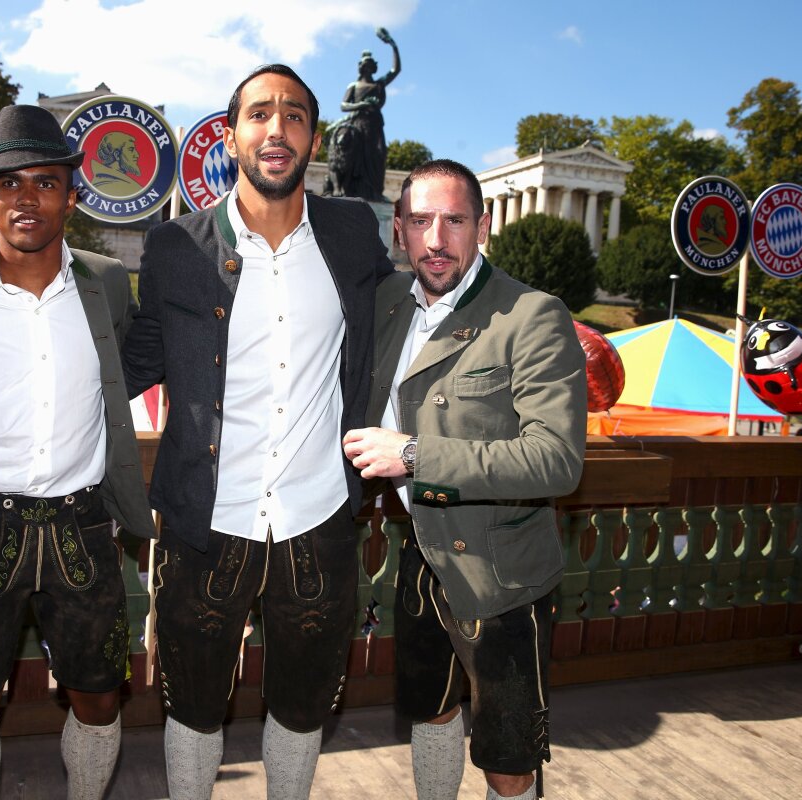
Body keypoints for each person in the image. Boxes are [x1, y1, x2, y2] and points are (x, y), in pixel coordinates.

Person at [122, 64, 395, 799]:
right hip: (204, 520)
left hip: (319, 517)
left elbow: (411, 329)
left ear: (313, 138)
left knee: (305, 708)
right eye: (260, 114)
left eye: (296, 116)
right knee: (192, 706)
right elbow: (130, 360)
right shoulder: (176, 246)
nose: (277, 129)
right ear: (232, 133)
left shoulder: (354, 233)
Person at [0, 104, 156, 800]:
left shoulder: (109, 285)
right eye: (8, 183)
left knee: (101, 695)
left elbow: (119, 380)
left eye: (44, 183)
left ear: (71, 194)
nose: (26, 198)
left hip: (83, 521)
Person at [342, 159, 587, 800]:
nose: (436, 238)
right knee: (432, 714)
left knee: (507, 760)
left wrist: (417, 456)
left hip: (500, 575)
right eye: (420, 221)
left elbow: (556, 460)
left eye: (454, 221)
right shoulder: (385, 302)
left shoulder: (532, 314)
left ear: (483, 228)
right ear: (398, 231)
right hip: (421, 556)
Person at [327, 27, 400, 202]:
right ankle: (352, 193)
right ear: (361, 67)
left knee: (378, 156)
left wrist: (393, 45)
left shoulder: (379, 84)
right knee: (355, 161)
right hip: (357, 126)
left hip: (374, 126)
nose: (368, 67)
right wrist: (362, 104)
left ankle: (374, 193)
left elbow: (395, 70)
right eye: (365, 65)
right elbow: (343, 105)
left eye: (370, 65)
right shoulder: (353, 86)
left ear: (373, 68)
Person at [88, 131, 143, 197]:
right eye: (131, 150)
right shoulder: (108, 185)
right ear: (116, 155)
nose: (137, 155)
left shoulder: (116, 182)